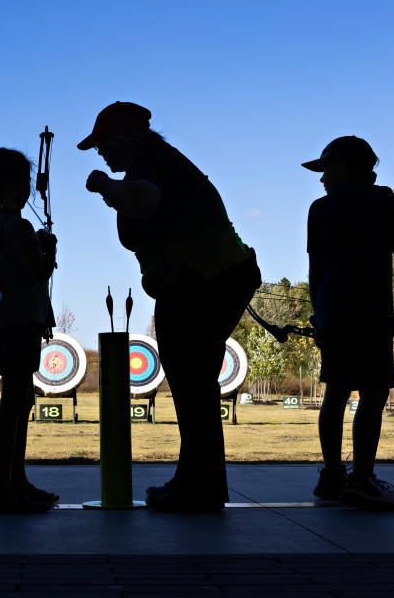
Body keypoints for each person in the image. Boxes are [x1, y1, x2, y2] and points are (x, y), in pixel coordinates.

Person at [80, 102, 260, 512]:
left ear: (127, 140)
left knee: (192, 383)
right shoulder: (161, 161)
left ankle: (198, 486)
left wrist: (105, 185)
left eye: (104, 146)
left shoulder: (149, 166)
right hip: (215, 277)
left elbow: (143, 201)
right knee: (195, 384)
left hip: (201, 281)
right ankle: (198, 482)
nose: (101, 154)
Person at [303, 136, 394, 510]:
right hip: (370, 314)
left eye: (325, 170)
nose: (322, 179)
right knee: (373, 393)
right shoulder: (382, 199)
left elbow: (315, 271)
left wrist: (318, 315)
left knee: (336, 391)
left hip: (334, 315)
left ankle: (333, 475)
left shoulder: (319, 209)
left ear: (342, 166)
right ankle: (363, 480)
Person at [0, 147, 59, 513]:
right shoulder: (19, 227)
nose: (27, 189)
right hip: (18, 323)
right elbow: (38, 273)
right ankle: (2, 488)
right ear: (6, 187)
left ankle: (15, 482)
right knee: (13, 405)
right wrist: (48, 248)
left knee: (20, 402)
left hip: (6, 321)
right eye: (22, 182)